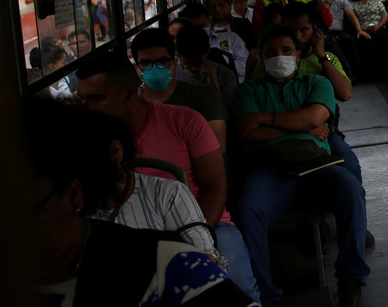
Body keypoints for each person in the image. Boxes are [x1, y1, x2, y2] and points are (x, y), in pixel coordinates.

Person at [21, 100, 256, 307]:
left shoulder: (160, 261)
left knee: (242, 279)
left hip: (210, 226)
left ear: (73, 195)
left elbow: (214, 191)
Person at [76, 49, 260, 301]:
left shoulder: (185, 121)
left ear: (130, 93)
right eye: (81, 101)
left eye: (95, 100)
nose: (85, 110)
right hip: (127, 231)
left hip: (202, 218)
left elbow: (215, 188)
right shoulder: (85, 145)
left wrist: (188, 242)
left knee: (236, 286)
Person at [233, 24, 370, 307]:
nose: (279, 57)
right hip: (270, 169)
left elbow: (315, 116)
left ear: (297, 56)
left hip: (316, 164)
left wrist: (266, 119)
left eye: (286, 51)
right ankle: (266, 294)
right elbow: (248, 131)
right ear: (260, 57)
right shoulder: (247, 91)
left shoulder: (316, 83)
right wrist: (302, 128)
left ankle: (350, 278)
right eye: (271, 52)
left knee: (350, 188)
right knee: (248, 209)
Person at [131, 28, 229, 154]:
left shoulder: (203, 96)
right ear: (137, 68)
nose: (155, 69)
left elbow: (218, 147)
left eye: (162, 61)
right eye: (146, 63)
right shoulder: (134, 107)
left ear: (175, 64)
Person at [179, 2, 249, 82]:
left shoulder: (231, 38)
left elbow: (245, 65)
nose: (199, 31)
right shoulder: (182, 50)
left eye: (202, 26)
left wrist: (220, 68)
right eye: (195, 28)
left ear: (209, 21)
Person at [347, 0, 388, 81]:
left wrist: (378, 27)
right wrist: (361, 29)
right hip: (362, 30)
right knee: (364, 41)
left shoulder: (376, 1)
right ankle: (370, 73)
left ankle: (385, 71)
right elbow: (351, 20)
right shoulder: (351, 4)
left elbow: (385, 16)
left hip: (378, 28)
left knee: (385, 37)